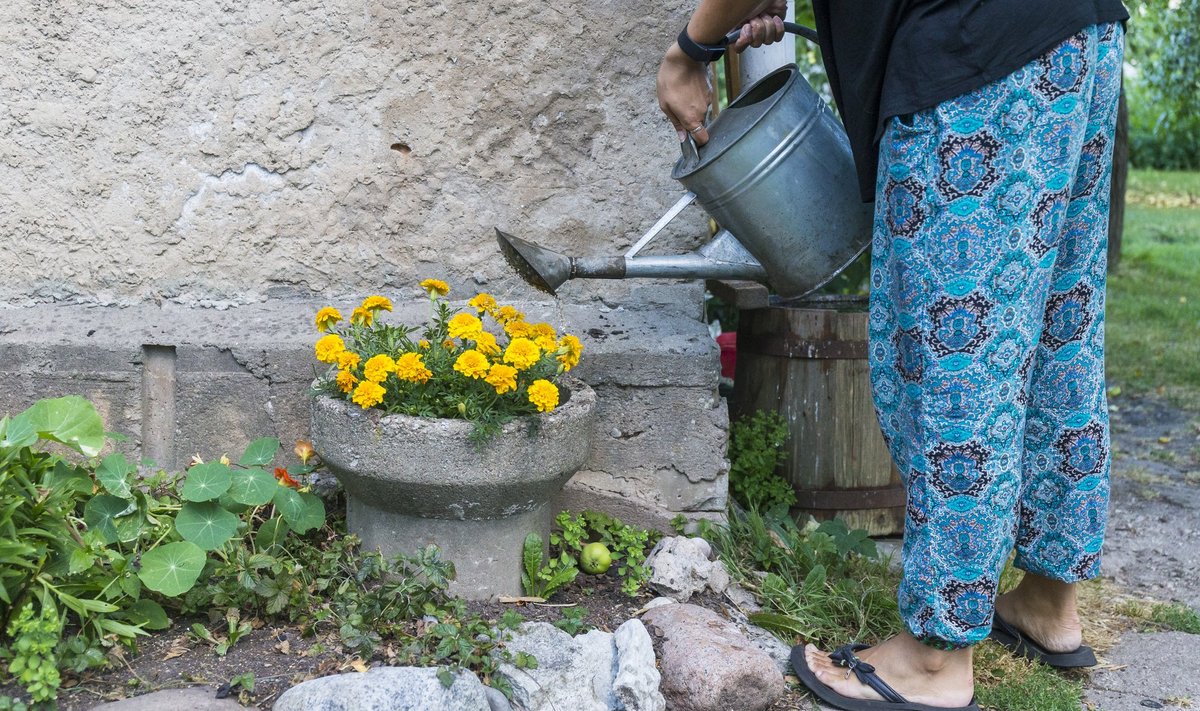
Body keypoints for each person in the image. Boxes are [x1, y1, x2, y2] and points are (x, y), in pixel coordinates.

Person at [657, 2, 1129, 710]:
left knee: (955, 350)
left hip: (973, 56)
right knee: (1061, 326)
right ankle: (1049, 600)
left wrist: (691, 49)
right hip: (1078, 38)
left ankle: (934, 660)